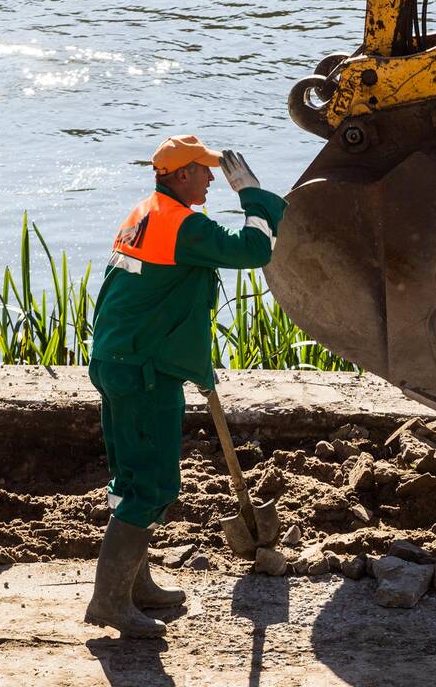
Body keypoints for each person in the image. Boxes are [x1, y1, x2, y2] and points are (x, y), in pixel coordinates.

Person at [85, 135, 286, 638]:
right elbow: (254, 250)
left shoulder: (146, 212)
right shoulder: (185, 225)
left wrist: (193, 361)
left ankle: (136, 585)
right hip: (143, 370)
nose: (212, 179)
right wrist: (254, 198)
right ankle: (110, 603)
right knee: (153, 485)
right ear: (179, 176)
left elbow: (156, 297)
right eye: (204, 171)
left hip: (120, 358)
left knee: (131, 479)